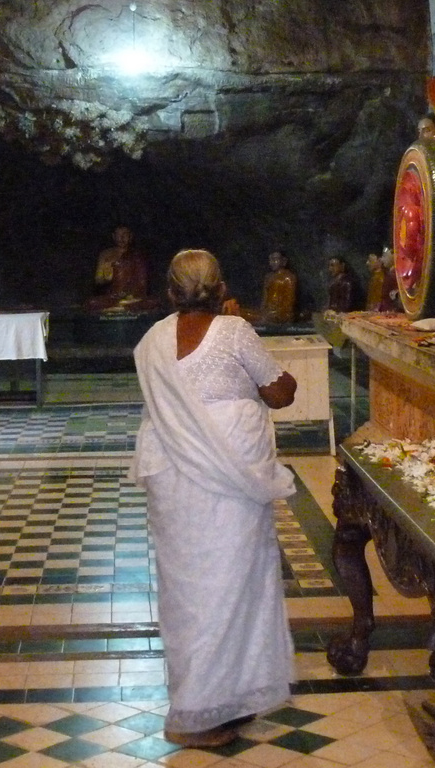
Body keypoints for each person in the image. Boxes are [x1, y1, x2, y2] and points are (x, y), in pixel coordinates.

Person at [131, 249, 299, 748]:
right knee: (227, 587)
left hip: (174, 478)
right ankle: (196, 715)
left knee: (190, 592)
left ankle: (217, 699)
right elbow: (280, 393)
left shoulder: (152, 340)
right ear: (221, 287)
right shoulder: (234, 331)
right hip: (227, 479)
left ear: (169, 292)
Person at [91, 224, 151, 309]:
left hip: (133, 298)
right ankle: (121, 305)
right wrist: (107, 277)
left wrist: (131, 294)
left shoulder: (138, 256)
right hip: (113, 297)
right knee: (92, 302)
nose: (122, 238)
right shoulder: (105, 255)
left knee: (151, 302)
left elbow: (142, 282)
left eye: (125, 234)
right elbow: (98, 279)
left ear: (130, 236)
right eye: (118, 235)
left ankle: (124, 305)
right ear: (113, 236)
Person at [261, 249, 297, 325]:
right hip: (268, 313)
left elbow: (289, 302)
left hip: (281, 314)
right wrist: (265, 311)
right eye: (270, 260)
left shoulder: (288, 277)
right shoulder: (268, 277)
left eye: (275, 259)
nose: (272, 263)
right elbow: (265, 299)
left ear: (284, 261)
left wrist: (278, 313)